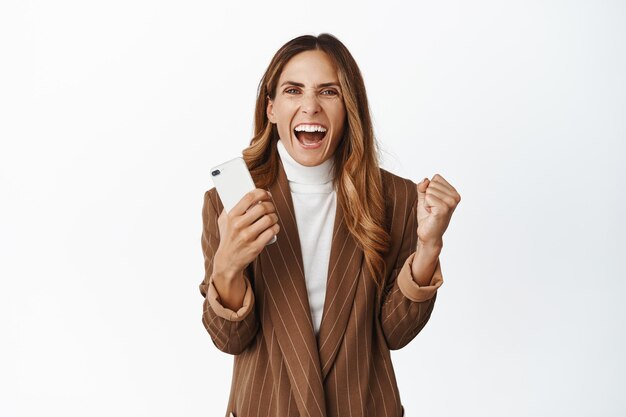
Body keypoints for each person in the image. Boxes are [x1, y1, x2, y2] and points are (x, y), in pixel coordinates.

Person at [199, 33, 461, 417]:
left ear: (349, 108)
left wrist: (429, 247)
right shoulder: (227, 204)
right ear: (270, 109)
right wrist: (228, 266)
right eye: (293, 91)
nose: (310, 107)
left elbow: (394, 333)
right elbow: (231, 339)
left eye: (329, 92)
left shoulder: (398, 198)